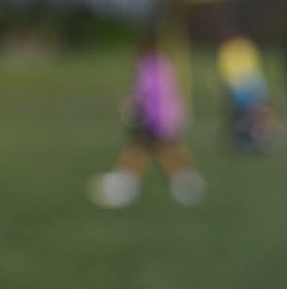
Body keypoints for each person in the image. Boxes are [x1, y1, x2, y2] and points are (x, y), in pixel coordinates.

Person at [87, 36, 206, 207]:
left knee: (141, 149)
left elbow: (146, 96)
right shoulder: (164, 64)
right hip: (170, 118)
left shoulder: (148, 67)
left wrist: (132, 106)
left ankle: (124, 185)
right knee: (163, 150)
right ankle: (185, 181)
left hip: (156, 121)